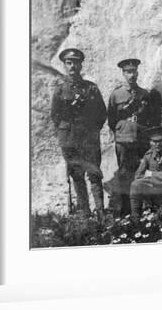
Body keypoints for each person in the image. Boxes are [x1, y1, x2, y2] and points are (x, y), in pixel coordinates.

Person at [50, 48, 107, 218]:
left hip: (89, 139)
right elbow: (55, 115)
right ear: (65, 65)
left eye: (76, 62)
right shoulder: (60, 90)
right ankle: (84, 210)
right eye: (69, 62)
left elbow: (101, 113)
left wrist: (92, 130)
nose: (72, 66)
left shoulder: (91, 88)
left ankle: (100, 211)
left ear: (81, 64)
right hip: (70, 140)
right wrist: (66, 134)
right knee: (76, 174)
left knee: (94, 173)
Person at [107, 58, 152, 217]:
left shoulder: (144, 94)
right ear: (123, 73)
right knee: (124, 175)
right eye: (128, 72)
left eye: (134, 71)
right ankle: (124, 211)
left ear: (138, 73)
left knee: (140, 174)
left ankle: (140, 210)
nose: (131, 75)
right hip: (124, 141)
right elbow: (112, 120)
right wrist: (124, 129)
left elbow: (149, 118)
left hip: (140, 140)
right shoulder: (116, 94)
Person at [129, 126, 162, 220]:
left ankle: (157, 218)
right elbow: (138, 176)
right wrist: (155, 181)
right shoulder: (148, 155)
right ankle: (135, 219)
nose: (157, 144)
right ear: (150, 142)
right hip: (152, 192)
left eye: (160, 141)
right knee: (135, 185)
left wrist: (150, 174)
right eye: (154, 142)